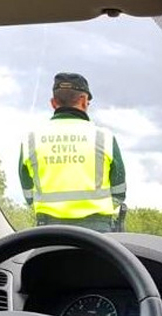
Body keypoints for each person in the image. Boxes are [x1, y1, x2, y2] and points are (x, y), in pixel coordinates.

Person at [19, 73, 127, 232]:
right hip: (98, 233)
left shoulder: (31, 140)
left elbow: (29, 196)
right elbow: (119, 192)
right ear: (84, 101)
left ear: (53, 103)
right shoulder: (104, 138)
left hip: (47, 231)